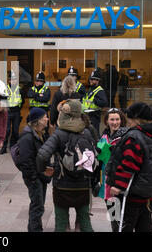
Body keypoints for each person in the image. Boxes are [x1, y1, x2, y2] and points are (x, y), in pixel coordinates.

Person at [105, 102, 152, 232]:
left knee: (122, 226)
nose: (128, 121)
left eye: (129, 118)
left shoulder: (134, 137)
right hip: (149, 195)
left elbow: (129, 164)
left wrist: (118, 186)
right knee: (145, 226)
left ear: (135, 119)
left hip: (130, 195)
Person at [37, 99, 98, 232]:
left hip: (62, 186)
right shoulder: (86, 132)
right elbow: (95, 154)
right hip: (82, 185)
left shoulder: (59, 134)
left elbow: (42, 155)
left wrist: (44, 169)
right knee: (85, 223)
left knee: (61, 224)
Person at [18, 108, 53, 232]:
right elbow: (26, 162)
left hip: (40, 175)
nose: (47, 119)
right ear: (38, 121)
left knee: (38, 205)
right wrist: (33, 178)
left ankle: (34, 228)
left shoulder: (40, 133)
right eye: (45, 117)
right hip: (34, 177)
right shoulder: (27, 137)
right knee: (37, 206)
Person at [97, 108, 128, 232]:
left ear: (121, 120)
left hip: (121, 179)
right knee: (113, 213)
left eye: (117, 119)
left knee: (123, 214)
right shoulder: (104, 136)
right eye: (112, 119)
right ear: (107, 121)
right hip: (107, 180)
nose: (115, 122)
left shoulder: (126, 135)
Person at [0, 71, 24, 154]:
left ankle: (13, 147)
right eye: (11, 80)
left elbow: (22, 101)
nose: (13, 81)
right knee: (6, 131)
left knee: (15, 131)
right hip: (8, 112)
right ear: (9, 81)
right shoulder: (5, 89)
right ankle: (4, 147)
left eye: (14, 80)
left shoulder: (20, 89)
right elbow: (2, 100)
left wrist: (18, 108)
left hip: (16, 112)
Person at [82, 68, 108, 134]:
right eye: (90, 79)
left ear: (98, 81)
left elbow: (104, 102)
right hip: (88, 115)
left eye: (93, 79)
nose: (90, 81)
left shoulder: (99, 90)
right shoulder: (91, 89)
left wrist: (95, 101)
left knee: (94, 134)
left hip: (95, 116)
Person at [27, 71, 51, 137]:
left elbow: (46, 98)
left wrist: (35, 97)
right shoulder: (31, 89)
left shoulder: (46, 89)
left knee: (45, 128)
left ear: (43, 82)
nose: (38, 82)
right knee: (32, 128)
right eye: (36, 81)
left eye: (40, 81)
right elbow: (29, 95)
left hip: (43, 111)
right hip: (33, 111)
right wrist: (39, 95)